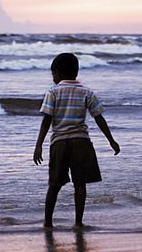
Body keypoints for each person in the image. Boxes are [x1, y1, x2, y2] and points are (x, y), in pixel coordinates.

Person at [33, 52, 120, 229]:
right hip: (82, 142)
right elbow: (99, 118)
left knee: (54, 184)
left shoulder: (52, 92)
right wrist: (111, 140)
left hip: (60, 143)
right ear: (76, 72)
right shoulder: (86, 92)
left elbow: (46, 121)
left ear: (56, 73)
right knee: (80, 184)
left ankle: (48, 222)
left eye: (53, 75)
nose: (53, 78)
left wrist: (38, 145)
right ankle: (78, 222)